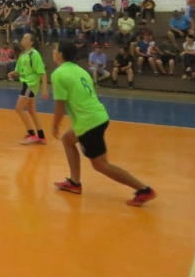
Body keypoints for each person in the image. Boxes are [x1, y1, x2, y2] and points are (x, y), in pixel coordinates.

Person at [50, 40, 156, 206]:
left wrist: (54, 125)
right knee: (67, 139)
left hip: (88, 123)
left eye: (55, 49)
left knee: (101, 165)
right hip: (98, 116)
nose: (53, 51)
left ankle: (144, 189)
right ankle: (74, 182)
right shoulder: (81, 71)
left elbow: (60, 105)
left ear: (60, 54)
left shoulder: (59, 74)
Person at [14, 33, 48, 145]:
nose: (23, 39)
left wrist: (44, 89)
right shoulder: (23, 54)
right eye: (23, 37)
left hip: (30, 85)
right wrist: (12, 73)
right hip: (25, 84)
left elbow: (42, 73)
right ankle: (41, 137)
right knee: (32, 111)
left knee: (18, 108)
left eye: (26, 38)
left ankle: (32, 134)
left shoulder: (34, 54)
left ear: (31, 42)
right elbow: (18, 71)